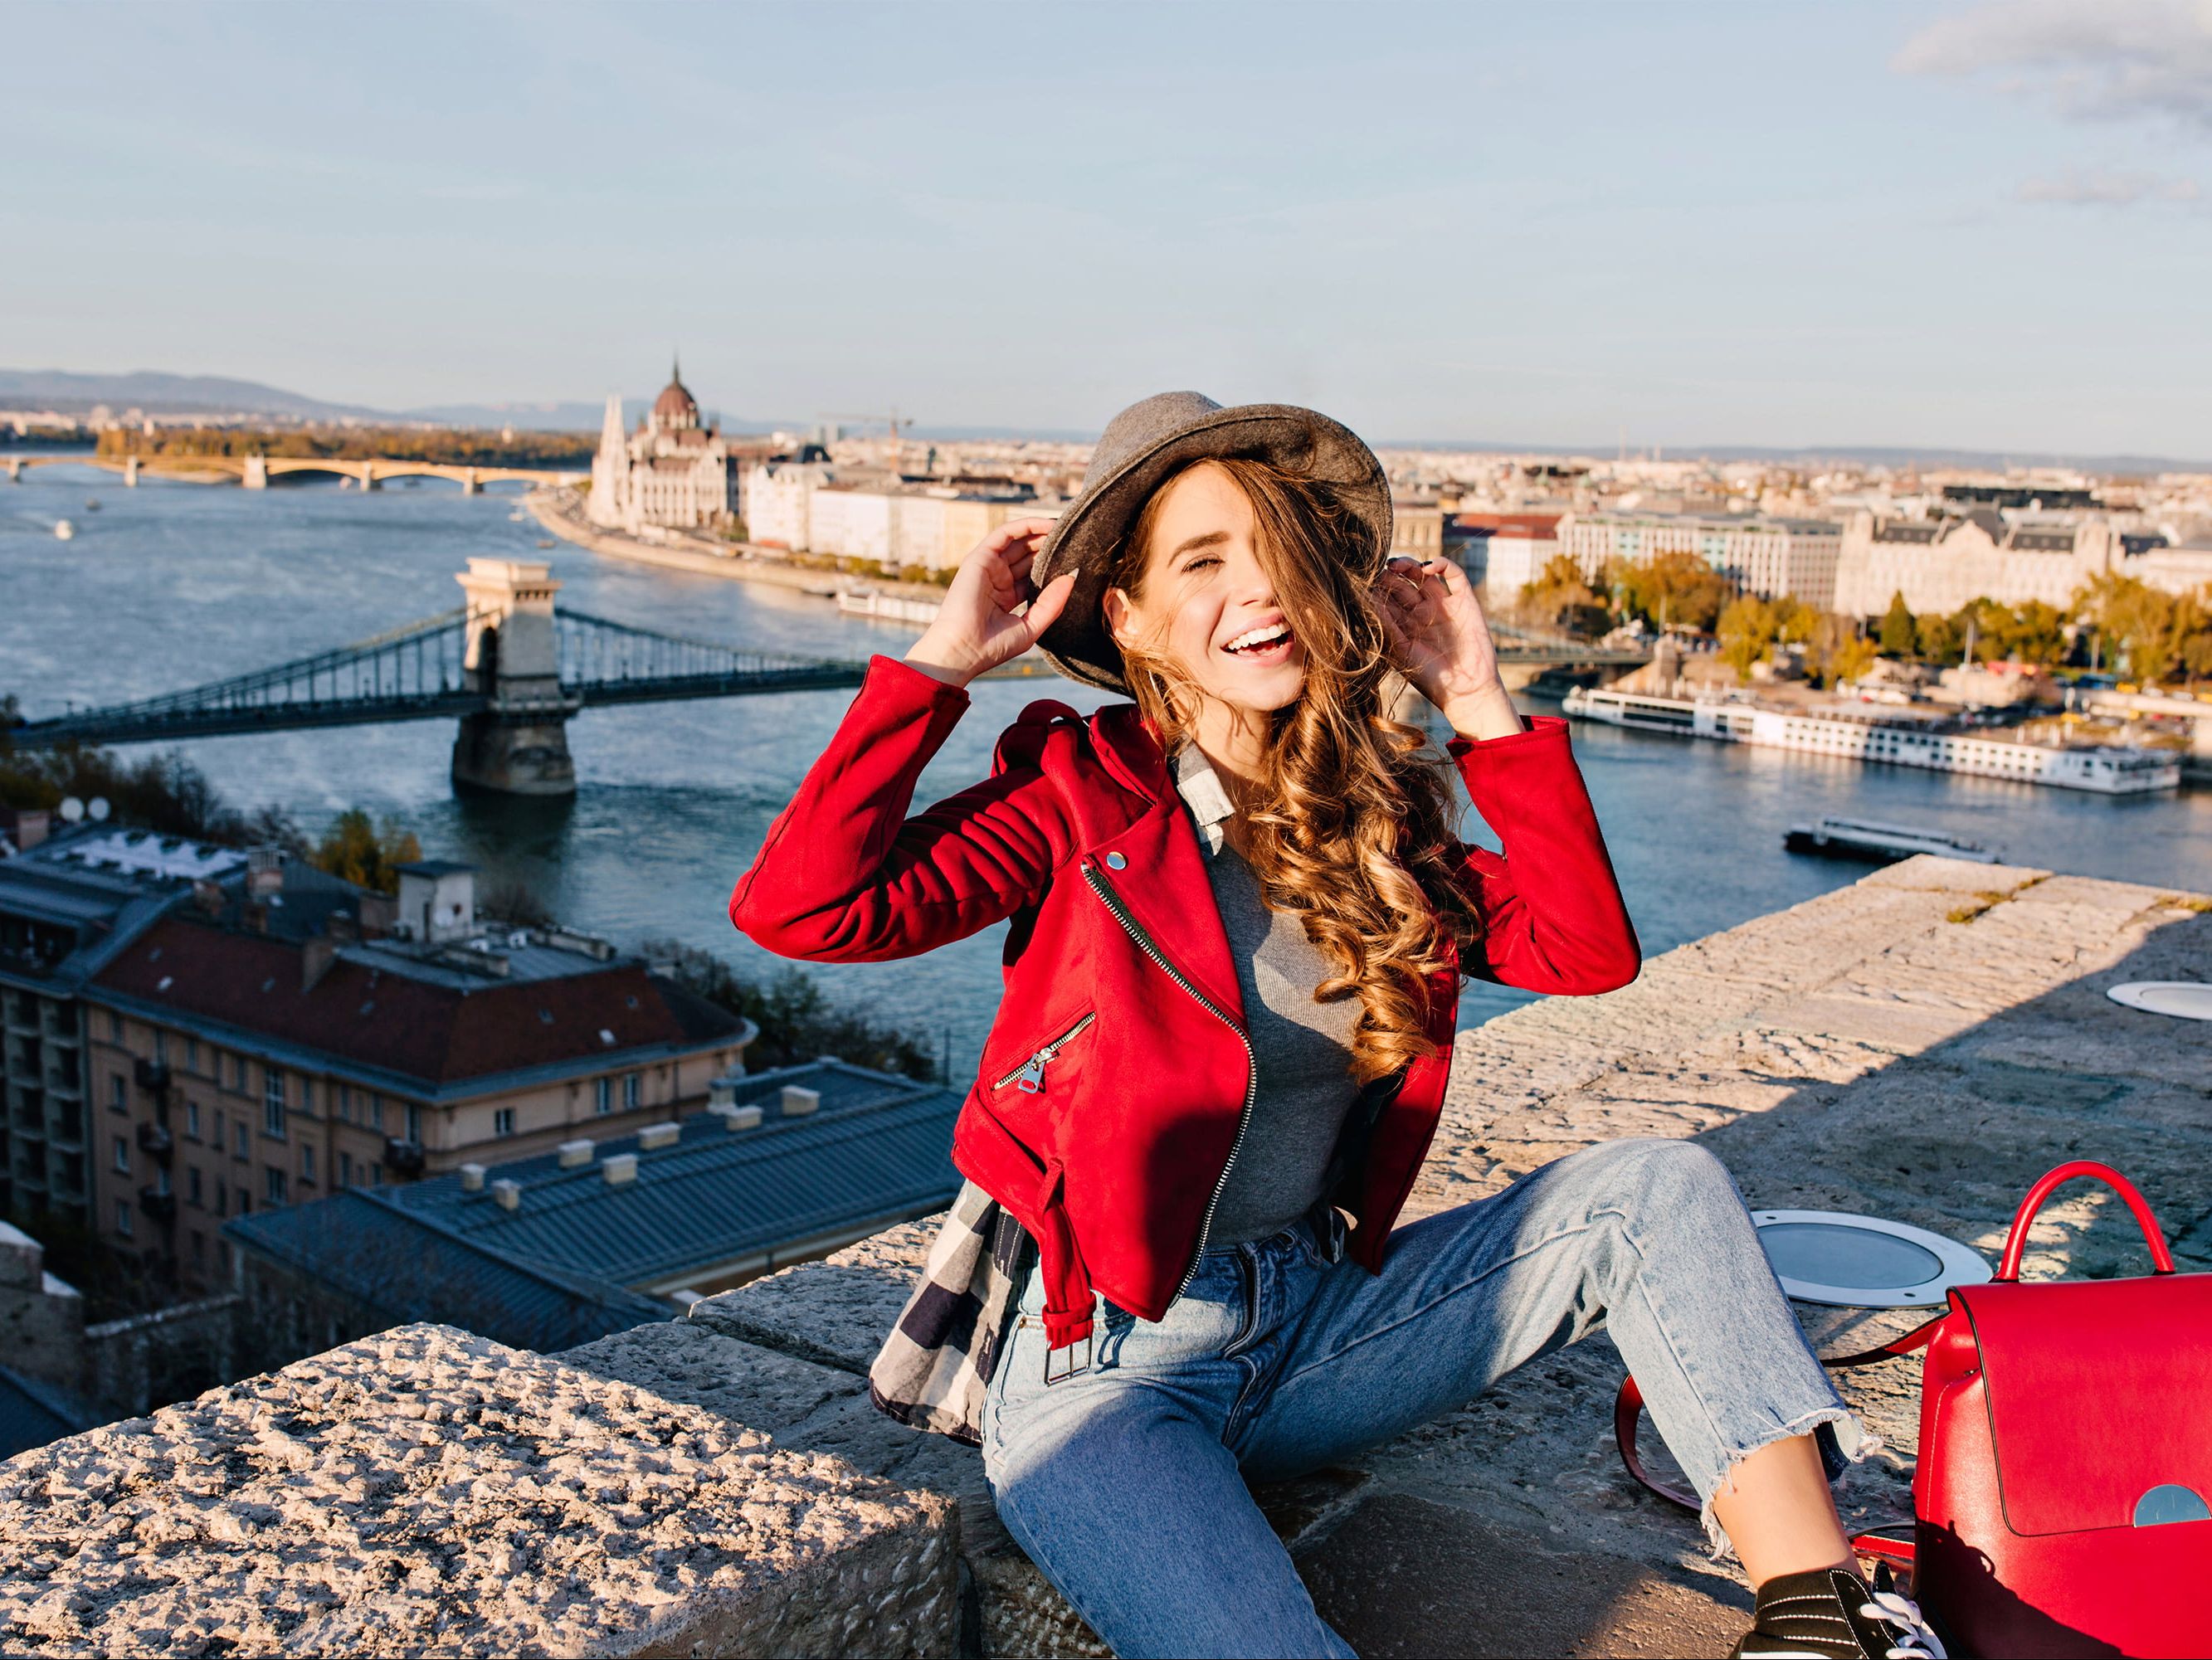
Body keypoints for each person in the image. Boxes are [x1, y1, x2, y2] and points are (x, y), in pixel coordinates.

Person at [730, 392, 1944, 1660]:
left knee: (1656, 1188)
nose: (1258, 592)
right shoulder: (1074, 800)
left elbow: (1583, 952)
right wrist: (935, 668)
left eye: (1283, 556)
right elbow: (803, 909)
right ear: (1128, 615)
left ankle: (1825, 1619)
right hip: (1109, 1378)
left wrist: (1476, 700)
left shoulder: (1370, 816)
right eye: (1202, 562)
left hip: (1318, 1325)